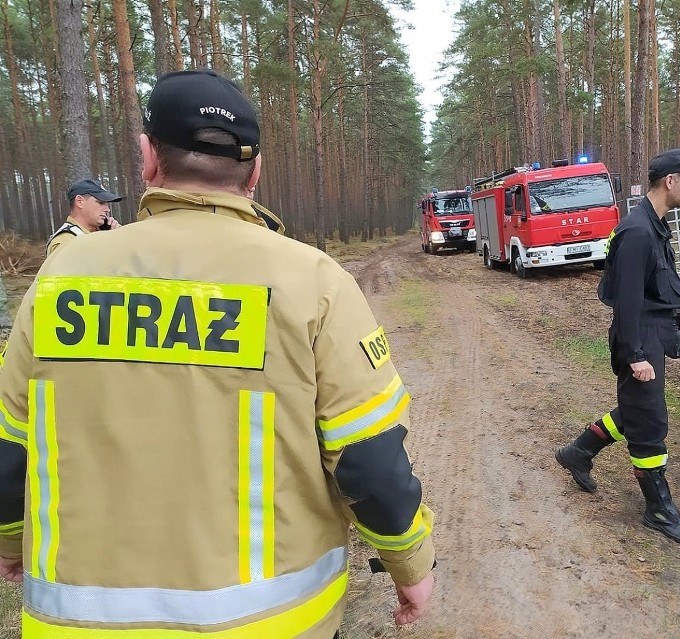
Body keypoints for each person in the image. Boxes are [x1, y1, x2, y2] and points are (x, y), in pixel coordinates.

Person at [0, 68, 435, 637]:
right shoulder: (313, 281)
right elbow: (370, 459)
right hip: (271, 623)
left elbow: (12, 442)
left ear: (148, 158)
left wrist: (10, 539)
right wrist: (411, 567)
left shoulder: (60, 277)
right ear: (256, 172)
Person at [555, 148, 680, 546]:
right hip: (637, 336)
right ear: (670, 181)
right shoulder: (638, 231)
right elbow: (626, 302)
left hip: (651, 331)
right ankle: (658, 509)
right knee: (649, 424)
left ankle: (578, 452)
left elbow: (654, 287)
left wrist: (670, 328)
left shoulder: (655, 225)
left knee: (636, 409)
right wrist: (637, 354)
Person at [46, 178, 124, 255]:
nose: (107, 209)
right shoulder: (66, 242)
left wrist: (113, 237)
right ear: (80, 202)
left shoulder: (97, 233)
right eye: (101, 202)